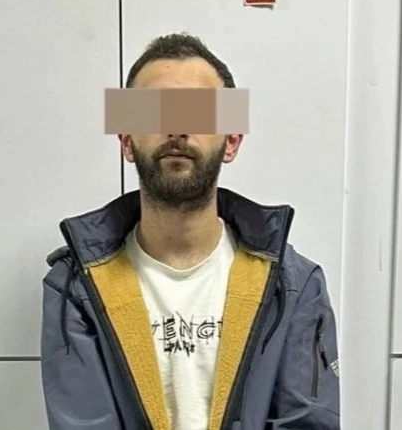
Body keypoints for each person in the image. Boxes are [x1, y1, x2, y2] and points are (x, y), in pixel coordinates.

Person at [40, 33, 340, 429]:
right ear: (126, 140)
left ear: (232, 140)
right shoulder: (73, 286)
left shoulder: (295, 284)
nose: (177, 127)